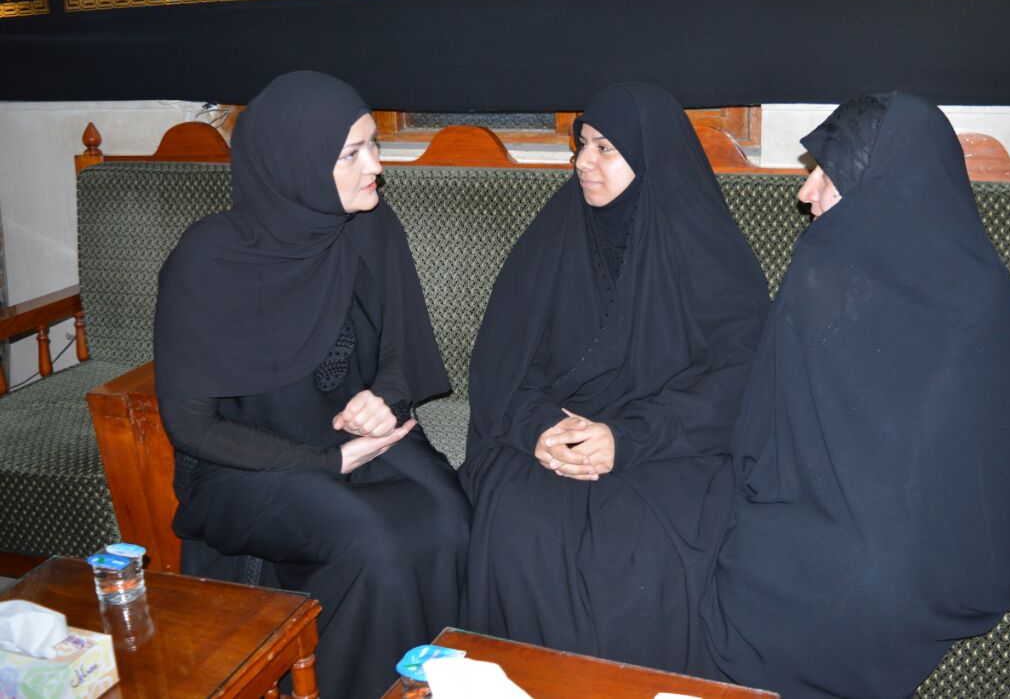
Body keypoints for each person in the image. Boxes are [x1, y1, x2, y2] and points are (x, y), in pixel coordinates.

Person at [702, 93, 1010, 698]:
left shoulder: (978, 295)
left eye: (829, 174)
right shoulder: (820, 269)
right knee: (750, 555)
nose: (805, 193)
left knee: (868, 584)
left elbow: (964, 462)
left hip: (927, 514)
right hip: (808, 495)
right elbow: (770, 420)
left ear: (891, 184)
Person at [154, 71, 470, 698]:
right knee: (372, 540)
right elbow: (190, 425)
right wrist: (327, 460)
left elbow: (405, 348)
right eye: (352, 152)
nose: (377, 164)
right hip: (248, 463)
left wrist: (385, 397)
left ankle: (433, 688)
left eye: (374, 143)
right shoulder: (208, 258)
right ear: (294, 162)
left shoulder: (371, 227)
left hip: (359, 440)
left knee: (450, 516)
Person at [460, 82, 769, 676]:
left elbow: (740, 377)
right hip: (552, 437)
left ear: (651, 159)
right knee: (519, 525)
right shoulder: (553, 237)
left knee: (645, 550)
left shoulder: (705, 249)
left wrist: (627, 439)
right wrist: (538, 430)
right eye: (582, 145)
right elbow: (499, 364)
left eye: (605, 149)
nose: (582, 162)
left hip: (671, 447)